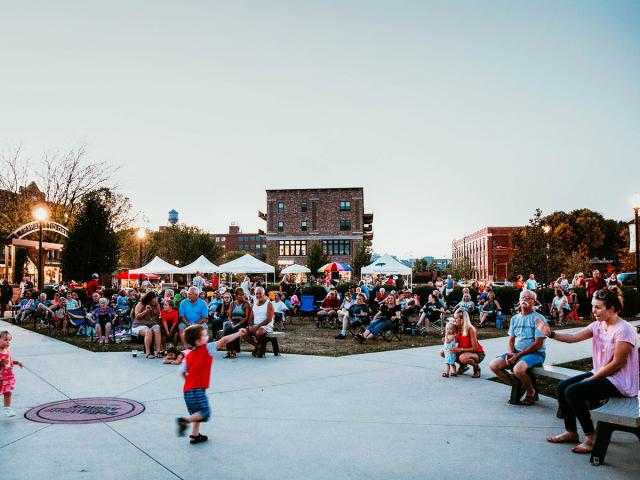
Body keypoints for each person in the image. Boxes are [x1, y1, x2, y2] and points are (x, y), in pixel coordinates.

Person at [538, 287, 638, 454]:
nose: (593, 310)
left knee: (573, 392)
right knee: (562, 388)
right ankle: (571, 432)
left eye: (598, 307)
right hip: (602, 373)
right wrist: (551, 334)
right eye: (593, 306)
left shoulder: (624, 330)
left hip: (621, 381)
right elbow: (573, 338)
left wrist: (592, 378)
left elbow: (617, 364)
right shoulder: (598, 325)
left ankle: (591, 438)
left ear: (612, 308)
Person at [176, 324, 248, 444]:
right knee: (204, 413)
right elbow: (224, 340)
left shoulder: (188, 355)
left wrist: (190, 382)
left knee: (197, 413)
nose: (207, 336)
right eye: (205, 335)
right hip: (198, 389)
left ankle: (195, 435)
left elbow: (182, 372)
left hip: (187, 389)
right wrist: (239, 333)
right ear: (198, 341)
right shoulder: (207, 348)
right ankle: (184, 421)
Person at [489, 289, 547, 405]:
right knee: (494, 365)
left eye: (528, 298)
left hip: (535, 354)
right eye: (522, 297)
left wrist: (518, 355)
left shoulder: (539, 318)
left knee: (518, 370)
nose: (524, 299)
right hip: (516, 353)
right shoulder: (515, 318)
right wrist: (511, 354)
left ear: (533, 302)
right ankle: (518, 386)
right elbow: (511, 340)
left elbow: (538, 344)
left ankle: (531, 391)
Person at [450, 310, 485, 377]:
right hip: (462, 351)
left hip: (477, 353)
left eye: (456, 318)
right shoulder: (456, 327)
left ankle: (476, 368)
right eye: (453, 318)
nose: (454, 320)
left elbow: (475, 348)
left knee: (463, 358)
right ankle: (463, 366)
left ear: (462, 319)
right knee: (443, 352)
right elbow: (451, 339)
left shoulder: (471, 329)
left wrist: (461, 349)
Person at [242, 286, 274, 356]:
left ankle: (259, 349)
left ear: (264, 294)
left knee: (258, 332)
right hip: (256, 326)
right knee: (242, 331)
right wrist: (250, 326)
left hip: (266, 326)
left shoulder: (269, 304)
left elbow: (269, 319)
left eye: (260, 293)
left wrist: (257, 327)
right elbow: (250, 318)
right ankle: (257, 346)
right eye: (256, 294)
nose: (258, 295)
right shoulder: (254, 305)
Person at [0, 330, 24, 417]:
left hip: (7, 378)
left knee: (8, 393)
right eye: (5, 339)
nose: (8, 342)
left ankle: (7, 409)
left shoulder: (7, 351)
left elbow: (8, 361)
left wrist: (16, 362)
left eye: (9, 340)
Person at [133, 291, 162, 358]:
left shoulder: (157, 305)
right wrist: (146, 311)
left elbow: (158, 316)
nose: (156, 300)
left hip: (153, 324)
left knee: (157, 329)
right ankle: (148, 353)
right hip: (139, 325)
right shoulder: (141, 304)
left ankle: (158, 351)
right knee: (148, 331)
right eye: (154, 299)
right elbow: (137, 316)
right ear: (149, 299)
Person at [223, 288, 251, 358]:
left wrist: (238, 324)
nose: (241, 296)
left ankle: (234, 351)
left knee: (235, 330)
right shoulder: (232, 304)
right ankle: (228, 350)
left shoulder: (246, 304)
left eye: (242, 295)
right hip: (234, 321)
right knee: (227, 330)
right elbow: (229, 316)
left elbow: (246, 318)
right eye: (240, 295)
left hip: (242, 322)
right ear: (236, 296)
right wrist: (231, 322)